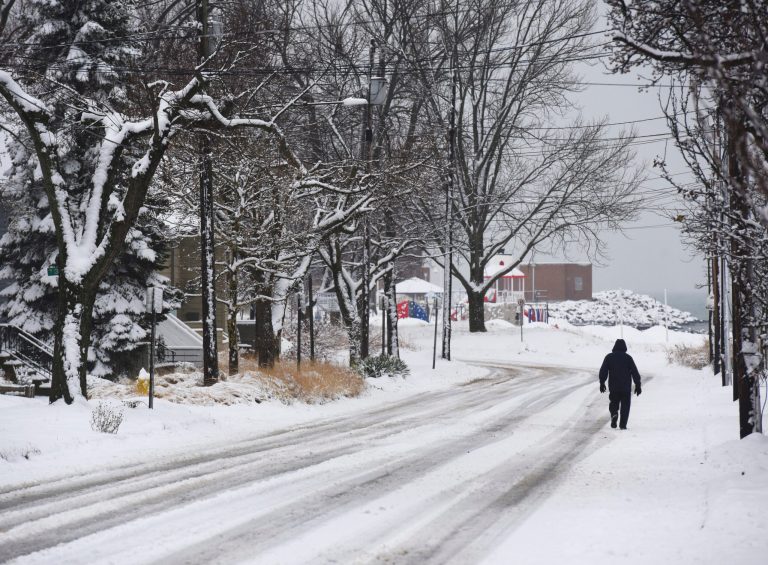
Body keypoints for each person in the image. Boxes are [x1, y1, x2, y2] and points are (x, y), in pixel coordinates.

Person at [599, 338, 642, 430]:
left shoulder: (609, 357)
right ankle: (623, 425)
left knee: (614, 402)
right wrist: (638, 384)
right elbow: (634, 371)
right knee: (625, 406)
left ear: (614, 347)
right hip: (625, 387)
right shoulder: (628, 358)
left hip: (614, 387)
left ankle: (614, 413)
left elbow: (603, 370)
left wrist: (602, 382)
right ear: (625, 347)